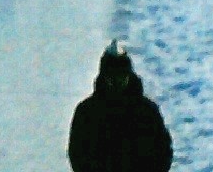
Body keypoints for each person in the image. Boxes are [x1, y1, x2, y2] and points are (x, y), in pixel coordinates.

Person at [67, 42, 171, 172]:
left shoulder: (147, 111)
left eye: (121, 77)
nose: (117, 83)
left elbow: (163, 151)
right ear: (104, 77)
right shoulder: (87, 112)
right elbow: (78, 155)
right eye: (111, 78)